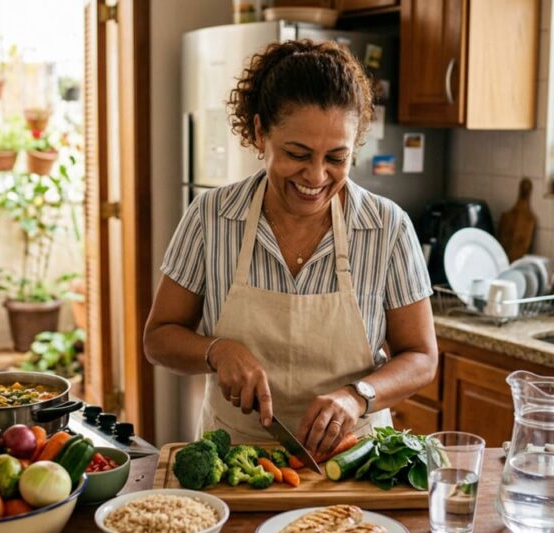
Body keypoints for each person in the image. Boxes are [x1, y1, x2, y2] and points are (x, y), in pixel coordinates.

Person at [144, 39, 437, 458]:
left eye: (336, 158)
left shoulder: (387, 227)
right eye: (297, 153)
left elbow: (422, 357)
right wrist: (216, 350)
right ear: (260, 133)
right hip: (233, 458)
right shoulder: (211, 216)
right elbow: (158, 339)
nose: (316, 176)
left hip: (353, 460)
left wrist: (358, 395)